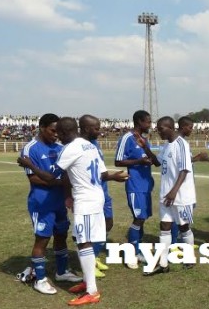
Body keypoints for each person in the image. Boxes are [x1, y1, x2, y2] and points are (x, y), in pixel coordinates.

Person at [18, 117, 128, 306]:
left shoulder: (71, 148)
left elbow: (51, 176)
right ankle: (87, 282)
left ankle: (91, 291)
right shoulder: (89, 146)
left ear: (63, 132)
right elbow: (102, 174)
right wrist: (114, 177)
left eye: (58, 133)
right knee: (84, 240)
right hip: (95, 197)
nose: (57, 137)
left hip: (86, 201)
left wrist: (29, 164)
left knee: (83, 243)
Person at [19, 113, 82, 295]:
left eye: (58, 131)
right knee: (43, 239)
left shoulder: (60, 147)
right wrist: (60, 183)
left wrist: (66, 191)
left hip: (59, 201)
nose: (56, 134)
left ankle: (62, 272)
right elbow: (34, 179)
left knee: (61, 234)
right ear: (42, 127)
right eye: (53, 130)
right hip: (41, 202)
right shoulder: (30, 149)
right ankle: (39, 279)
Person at [145, 116, 198, 275]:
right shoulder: (166, 145)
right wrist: (145, 148)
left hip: (181, 195)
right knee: (164, 227)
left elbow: (184, 170)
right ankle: (163, 263)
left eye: (160, 129)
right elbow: (157, 162)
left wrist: (174, 191)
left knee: (184, 227)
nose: (158, 132)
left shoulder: (181, 144)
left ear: (169, 127)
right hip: (166, 195)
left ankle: (189, 258)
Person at [114, 110, 159, 269]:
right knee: (138, 218)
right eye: (147, 122)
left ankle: (137, 249)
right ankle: (130, 253)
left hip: (146, 185)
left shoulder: (144, 140)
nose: (150, 125)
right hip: (134, 185)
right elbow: (118, 162)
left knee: (142, 218)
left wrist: (146, 157)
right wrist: (139, 161)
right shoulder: (127, 138)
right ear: (139, 122)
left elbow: (155, 161)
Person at [78, 115, 113, 278]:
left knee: (107, 224)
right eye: (96, 128)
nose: (100, 132)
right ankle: (89, 262)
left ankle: (94, 256)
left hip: (102, 192)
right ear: (86, 128)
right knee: (89, 231)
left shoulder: (95, 144)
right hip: (89, 196)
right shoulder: (78, 146)